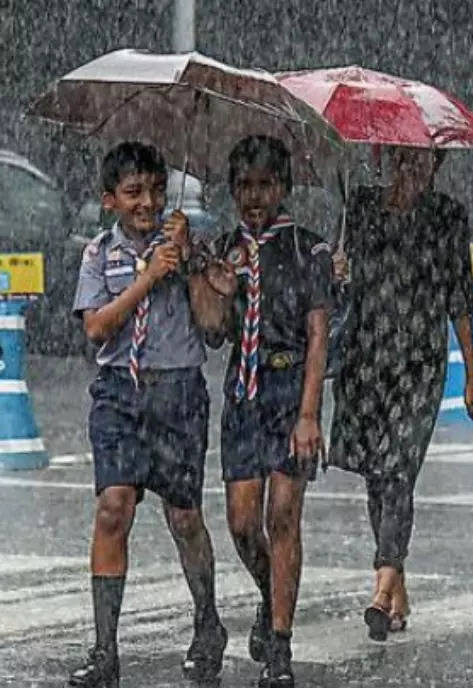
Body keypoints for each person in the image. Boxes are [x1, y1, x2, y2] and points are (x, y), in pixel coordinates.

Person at [69, 142, 225, 687]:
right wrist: (147, 278)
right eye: (134, 193)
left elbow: (213, 329)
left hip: (179, 393)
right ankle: (104, 649)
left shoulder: (187, 249)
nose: (148, 203)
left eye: (156, 191)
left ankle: (208, 620)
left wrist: (189, 266)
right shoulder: (97, 255)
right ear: (109, 199)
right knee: (113, 508)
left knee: (184, 518)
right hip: (120, 392)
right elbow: (96, 328)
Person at [328, 147, 473, 641]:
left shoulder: (446, 217)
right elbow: (342, 285)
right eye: (402, 160)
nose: (411, 170)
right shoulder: (359, 208)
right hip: (365, 359)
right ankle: (397, 581)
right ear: (386, 161)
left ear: (436, 167)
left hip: (419, 364)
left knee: (398, 468)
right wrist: (336, 272)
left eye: (422, 162)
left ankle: (380, 586)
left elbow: (459, 296)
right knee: (378, 476)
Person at [203, 136, 331, 687]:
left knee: (283, 515)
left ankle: (280, 647)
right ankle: (267, 593)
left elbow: (318, 336)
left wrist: (309, 414)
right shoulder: (225, 248)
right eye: (245, 186)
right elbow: (212, 334)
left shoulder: (309, 249)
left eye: (265, 185)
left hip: (288, 388)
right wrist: (215, 288)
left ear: (284, 188)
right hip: (243, 392)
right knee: (241, 522)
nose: (254, 197)